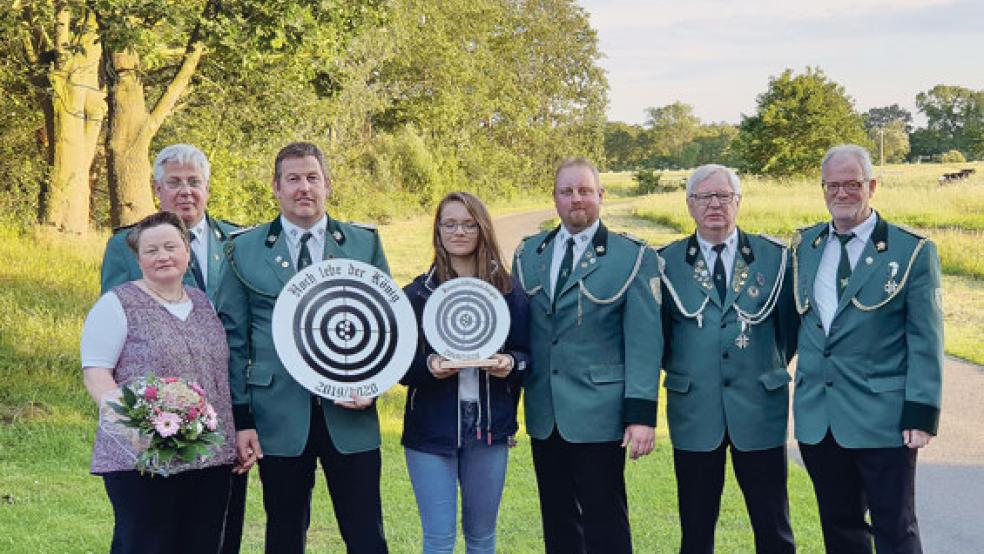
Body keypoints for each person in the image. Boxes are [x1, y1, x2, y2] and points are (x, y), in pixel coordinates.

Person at [215, 141, 390, 553]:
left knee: (366, 533)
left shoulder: (364, 244)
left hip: (351, 414)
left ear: (328, 184)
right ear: (275, 187)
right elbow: (233, 342)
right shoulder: (243, 249)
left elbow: (386, 326)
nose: (303, 188)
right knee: (285, 532)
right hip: (277, 415)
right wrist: (241, 418)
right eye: (292, 179)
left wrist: (373, 387)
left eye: (312, 178)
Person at [792, 144, 943, 553]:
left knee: (896, 528)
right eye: (833, 185)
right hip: (820, 419)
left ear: (871, 186)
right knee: (840, 528)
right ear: (823, 188)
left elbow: (926, 339)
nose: (842, 193)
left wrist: (922, 412)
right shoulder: (804, 247)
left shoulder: (910, 251)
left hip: (884, 419)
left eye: (852, 184)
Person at [97, 143, 247, 554]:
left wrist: (242, 416)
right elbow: (119, 329)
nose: (186, 191)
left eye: (194, 182)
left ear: (208, 188)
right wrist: (133, 419)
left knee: (216, 533)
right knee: (147, 534)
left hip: (222, 415)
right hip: (155, 418)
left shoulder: (236, 242)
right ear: (157, 188)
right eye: (175, 182)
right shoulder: (125, 244)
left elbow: (242, 335)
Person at [512, 157, 663, 553]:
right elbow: (519, 334)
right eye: (566, 191)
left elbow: (645, 343)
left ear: (601, 194)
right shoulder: (529, 254)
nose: (575, 199)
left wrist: (641, 416)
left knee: (605, 520)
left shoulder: (631, 256)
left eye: (584, 190)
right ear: (555, 198)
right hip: (545, 412)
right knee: (557, 519)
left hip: (600, 412)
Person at [659, 164, 796, 553]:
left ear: (738, 202)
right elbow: (663, 338)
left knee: (773, 525)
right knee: (696, 528)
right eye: (704, 197)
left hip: (759, 408)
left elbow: (788, 331)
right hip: (695, 410)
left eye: (724, 196)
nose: (714, 204)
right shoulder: (666, 262)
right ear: (689, 205)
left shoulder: (774, 258)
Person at [400, 192, 531, 553]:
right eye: (450, 223)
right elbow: (398, 366)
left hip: (488, 430)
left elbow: (526, 355)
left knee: (481, 537)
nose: (459, 231)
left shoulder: (508, 291)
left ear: (482, 229)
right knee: (439, 539)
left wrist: (510, 364)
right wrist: (428, 367)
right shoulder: (415, 296)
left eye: (469, 224)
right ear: (438, 231)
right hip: (430, 430)